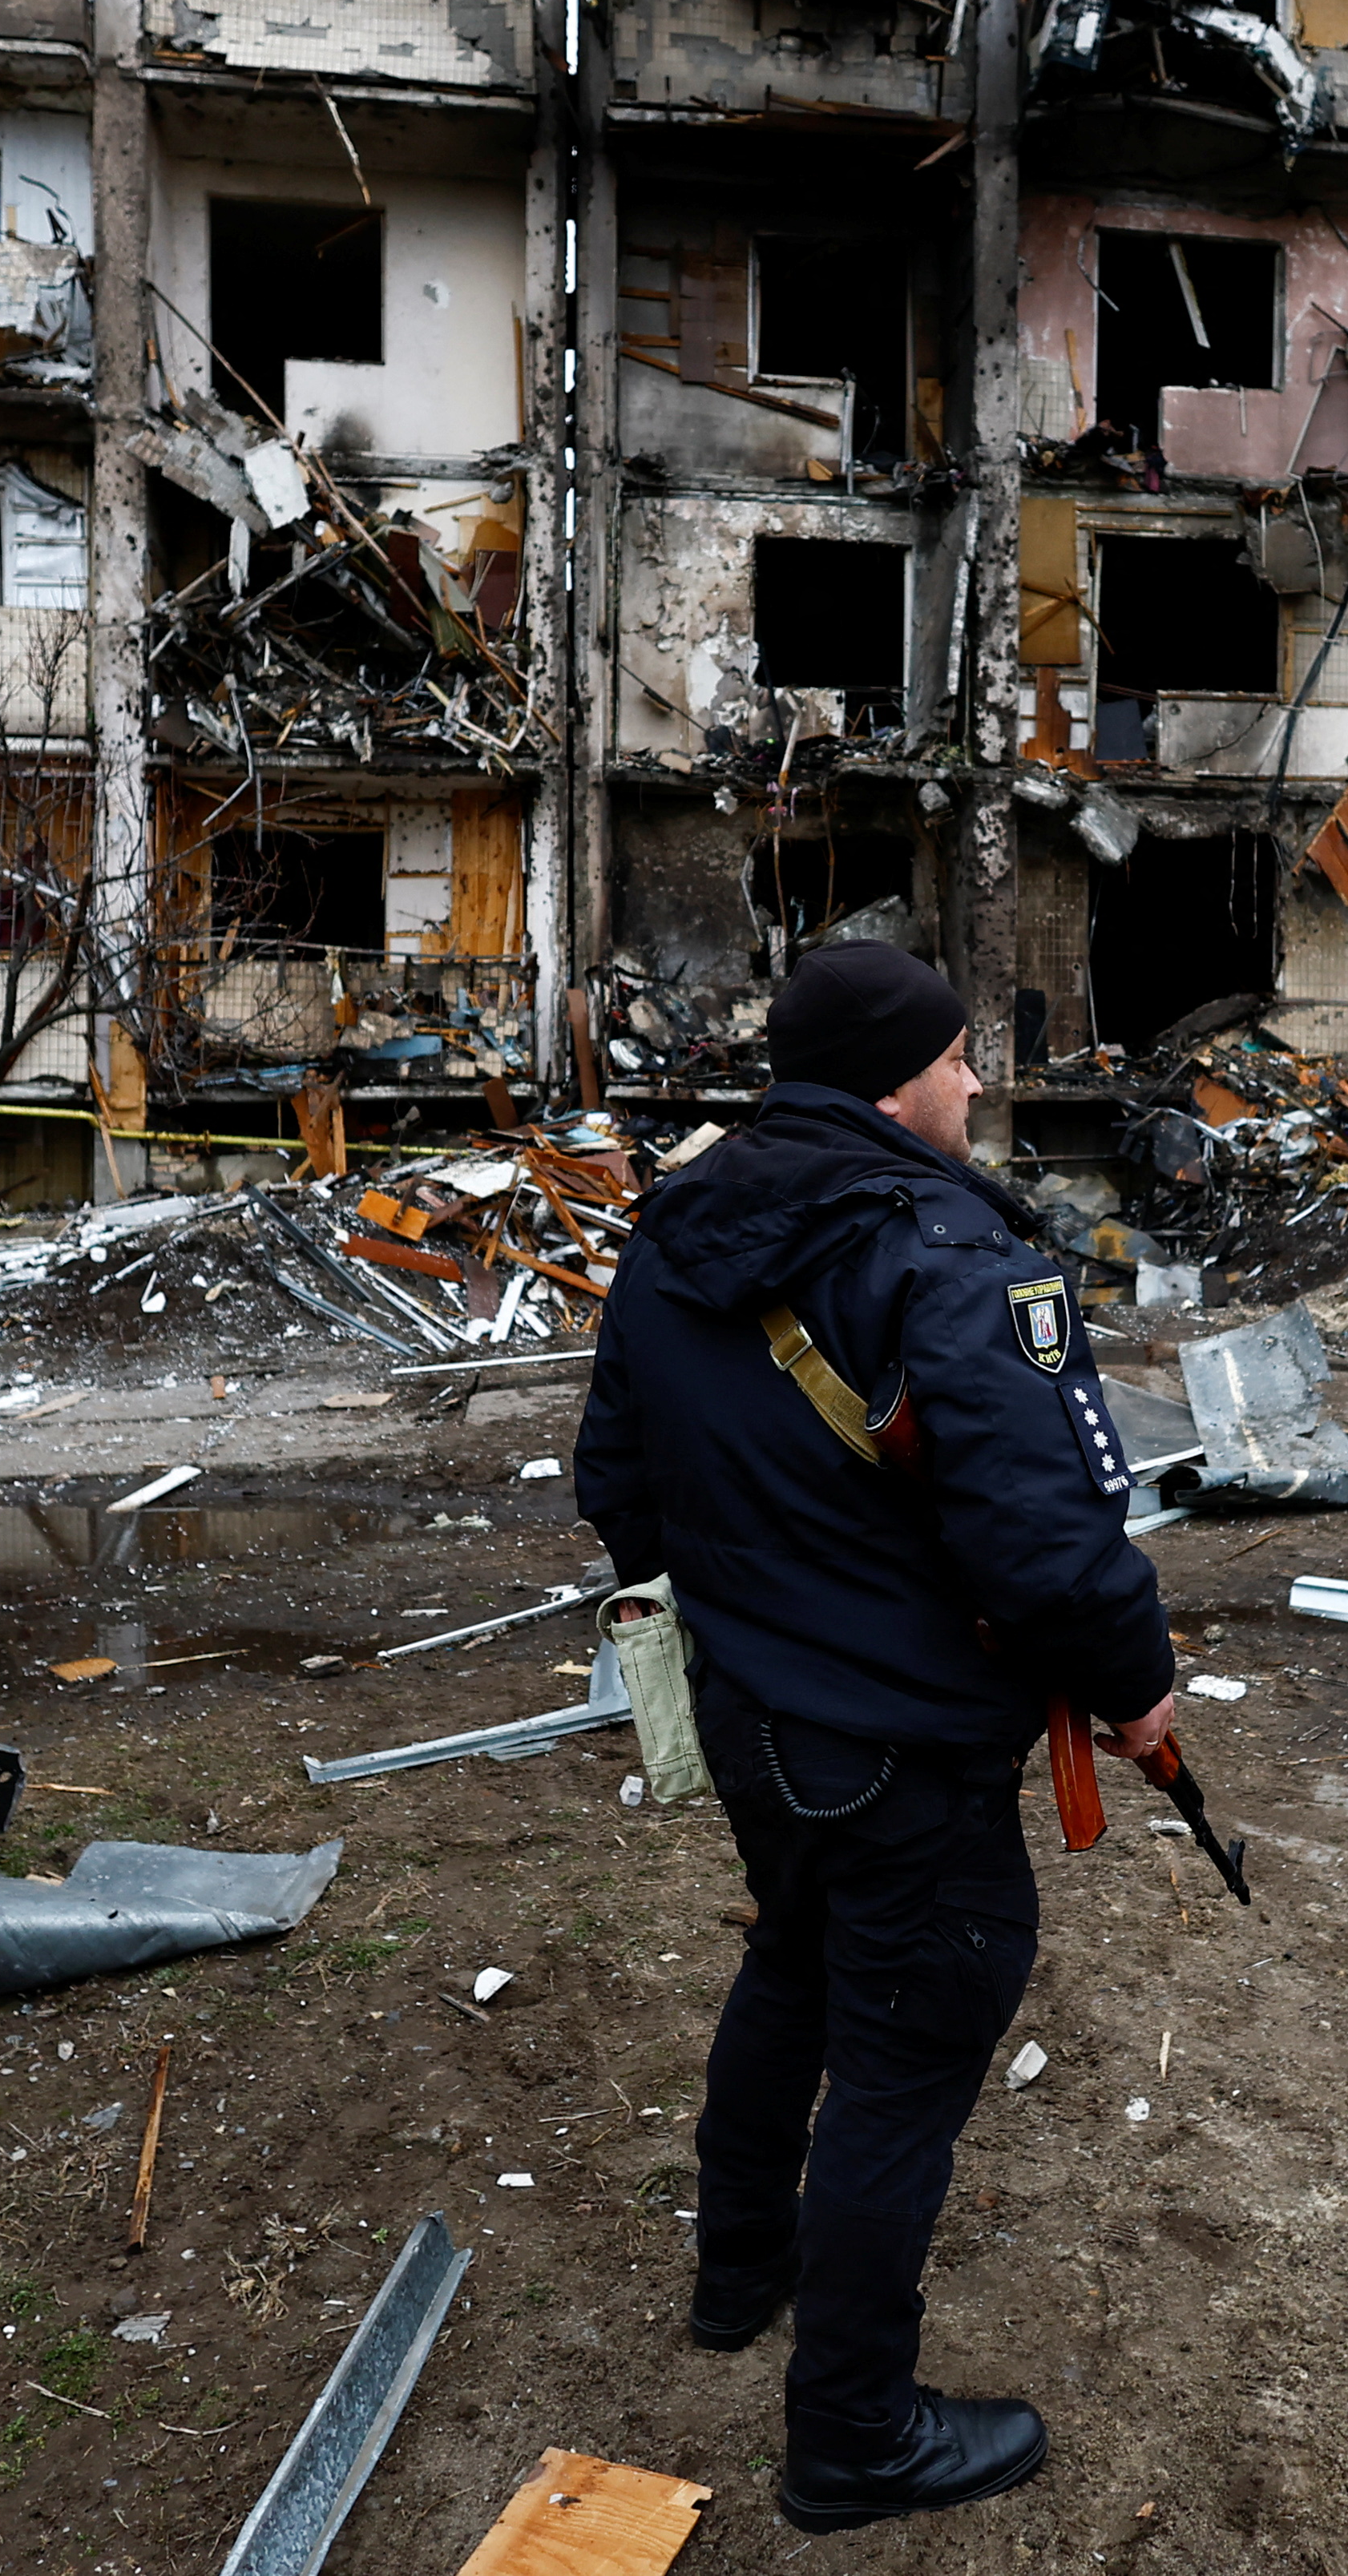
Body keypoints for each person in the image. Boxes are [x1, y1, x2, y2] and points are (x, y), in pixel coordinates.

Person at [575, 941, 1177, 2532]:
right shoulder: (939, 1241)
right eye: (959, 1055)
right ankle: (850, 2434)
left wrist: (762, 1609)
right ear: (889, 1074)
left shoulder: (677, 1221)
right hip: (898, 1741)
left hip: (752, 1713)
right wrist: (1137, 1681)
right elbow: (1045, 1533)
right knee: (907, 2053)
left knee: (793, 1963)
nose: (976, 1082)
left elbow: (615, 1486)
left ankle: (737, 2273)